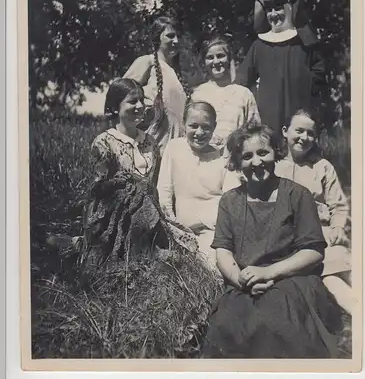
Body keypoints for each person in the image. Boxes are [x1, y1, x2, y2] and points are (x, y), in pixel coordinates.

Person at [202, 124, 343, 358]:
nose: (256, 162)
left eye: (263, 152)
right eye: (247, 156)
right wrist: (240, 280)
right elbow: (223, 251)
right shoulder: (230, 201)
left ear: (276, 152)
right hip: (245, 282)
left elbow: (314, 251)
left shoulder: (298, 195)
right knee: (229, 326)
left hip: (292, 280)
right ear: (237, 163)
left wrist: (269, 273)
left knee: (278, 323)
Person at [47, 78, 198, 272]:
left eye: (142, 100)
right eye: (132, 101)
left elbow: (157, 184)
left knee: (184, 250)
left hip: (151, 214)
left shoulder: (151, 142)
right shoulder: (104, 142)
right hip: (117, 215)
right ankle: (77, 245)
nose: (140, 106)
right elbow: (101, 191)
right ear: (115, 107)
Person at [275, 108, 353, 315]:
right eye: (299, 131)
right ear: (285, 131)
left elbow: (338, 205)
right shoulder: (273, 167)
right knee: (331, 277)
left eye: (310, 133)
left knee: (346, 266)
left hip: (323, 232)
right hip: (291, 239)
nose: (304, 137)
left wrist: (337, 226)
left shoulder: (322, 167)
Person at [157, 101, 240, 269]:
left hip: (213, 231)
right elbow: (164, 191)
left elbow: (231, 198)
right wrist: (172, 226)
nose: (199, 133)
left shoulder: (223, 156)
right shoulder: (174, 149)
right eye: (193, 126)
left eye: (206, 127)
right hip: (179, 229)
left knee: (212, 268)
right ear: (184, 124)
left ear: (214, 126)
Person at [235, 0, 326, 135]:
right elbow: (242, 80)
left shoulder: (305, 42)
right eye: (269, 10)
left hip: (300, 117)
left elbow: (319, 75)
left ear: (289, 9)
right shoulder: (259, 45)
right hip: (268, 119)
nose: (273, 14)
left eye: (278, 8)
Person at [122, 16, 187, 155]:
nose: (176, 40)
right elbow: (120, 94)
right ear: (157, 38)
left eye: (178, 36)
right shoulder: (147, 62)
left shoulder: (176, 73)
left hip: (175, 149)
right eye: (170, 36)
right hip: (152, 147)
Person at [191, 37, 260, 149]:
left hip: (234, 158)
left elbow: (255, 132)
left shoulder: (244, 94)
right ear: (204, 62)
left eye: (220, 56)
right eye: (210, 57)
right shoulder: (197, 94)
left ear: (229, 59)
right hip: (204, 159)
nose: (216, 61)